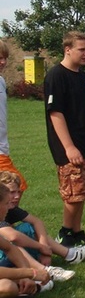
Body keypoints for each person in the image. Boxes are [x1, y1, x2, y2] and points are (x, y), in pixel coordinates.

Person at [44, 31, 85, 247]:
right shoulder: (56, 76)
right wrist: (69, 147)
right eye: (81, 49)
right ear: (67, 49)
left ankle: (77, 232)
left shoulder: (84, 78)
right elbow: (55, 113)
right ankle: (65, 233)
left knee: (83, 191)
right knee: (73, 191)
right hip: (70, 147)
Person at [0, 171, 85, 268]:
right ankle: (43, 270)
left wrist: (44, 249)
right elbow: (13, 237)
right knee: (13, 241)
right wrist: (41, 247)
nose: (17, 196)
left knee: (28, 227)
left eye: (18, 192)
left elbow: (37, 222)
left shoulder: (10, 208)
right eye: (12, 192)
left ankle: (71, 255)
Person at [0, 39, 28, 192]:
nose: (3, 62)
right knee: (16, 187)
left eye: (5, 58)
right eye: (0, 58)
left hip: (3, 147)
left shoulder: (1, 81)